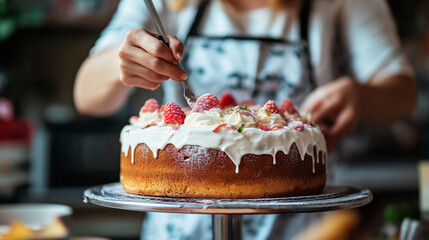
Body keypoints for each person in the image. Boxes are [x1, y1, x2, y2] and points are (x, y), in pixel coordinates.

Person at [74, 0, 416, 239]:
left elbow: (403, 94)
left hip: (307, 230)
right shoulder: (169, 3)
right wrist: (119, 64)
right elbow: (86, 94)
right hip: (174, 231)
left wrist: (360, 94)